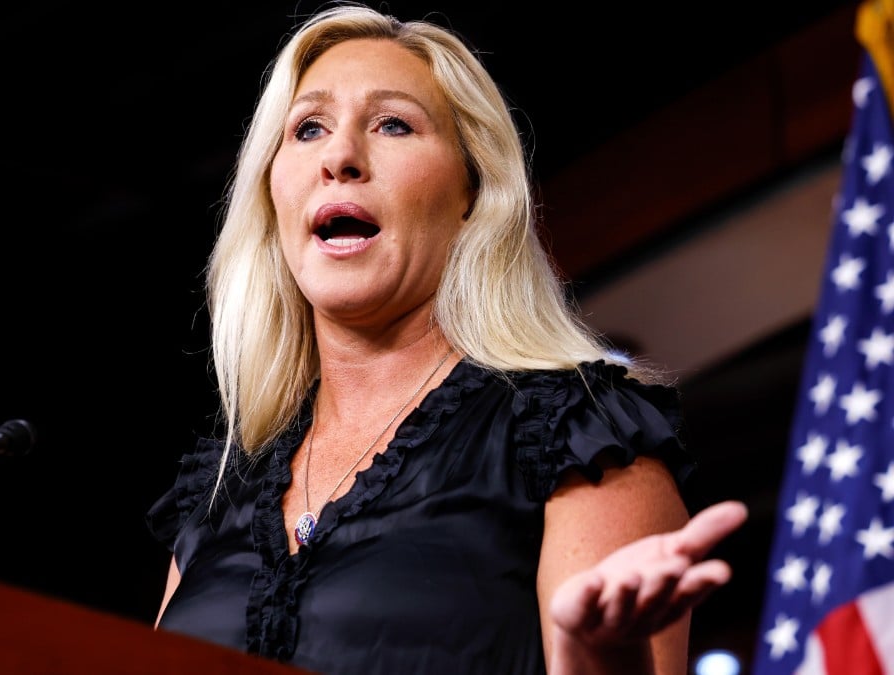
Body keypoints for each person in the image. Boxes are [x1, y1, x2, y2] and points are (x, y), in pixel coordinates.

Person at [144, 3, 748, 673]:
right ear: (271, 189)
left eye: (393, 124)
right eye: (308, 128)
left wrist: (599, 659)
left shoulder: (578, 435)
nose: (340, 156)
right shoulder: (224, 483)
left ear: (473, 191)